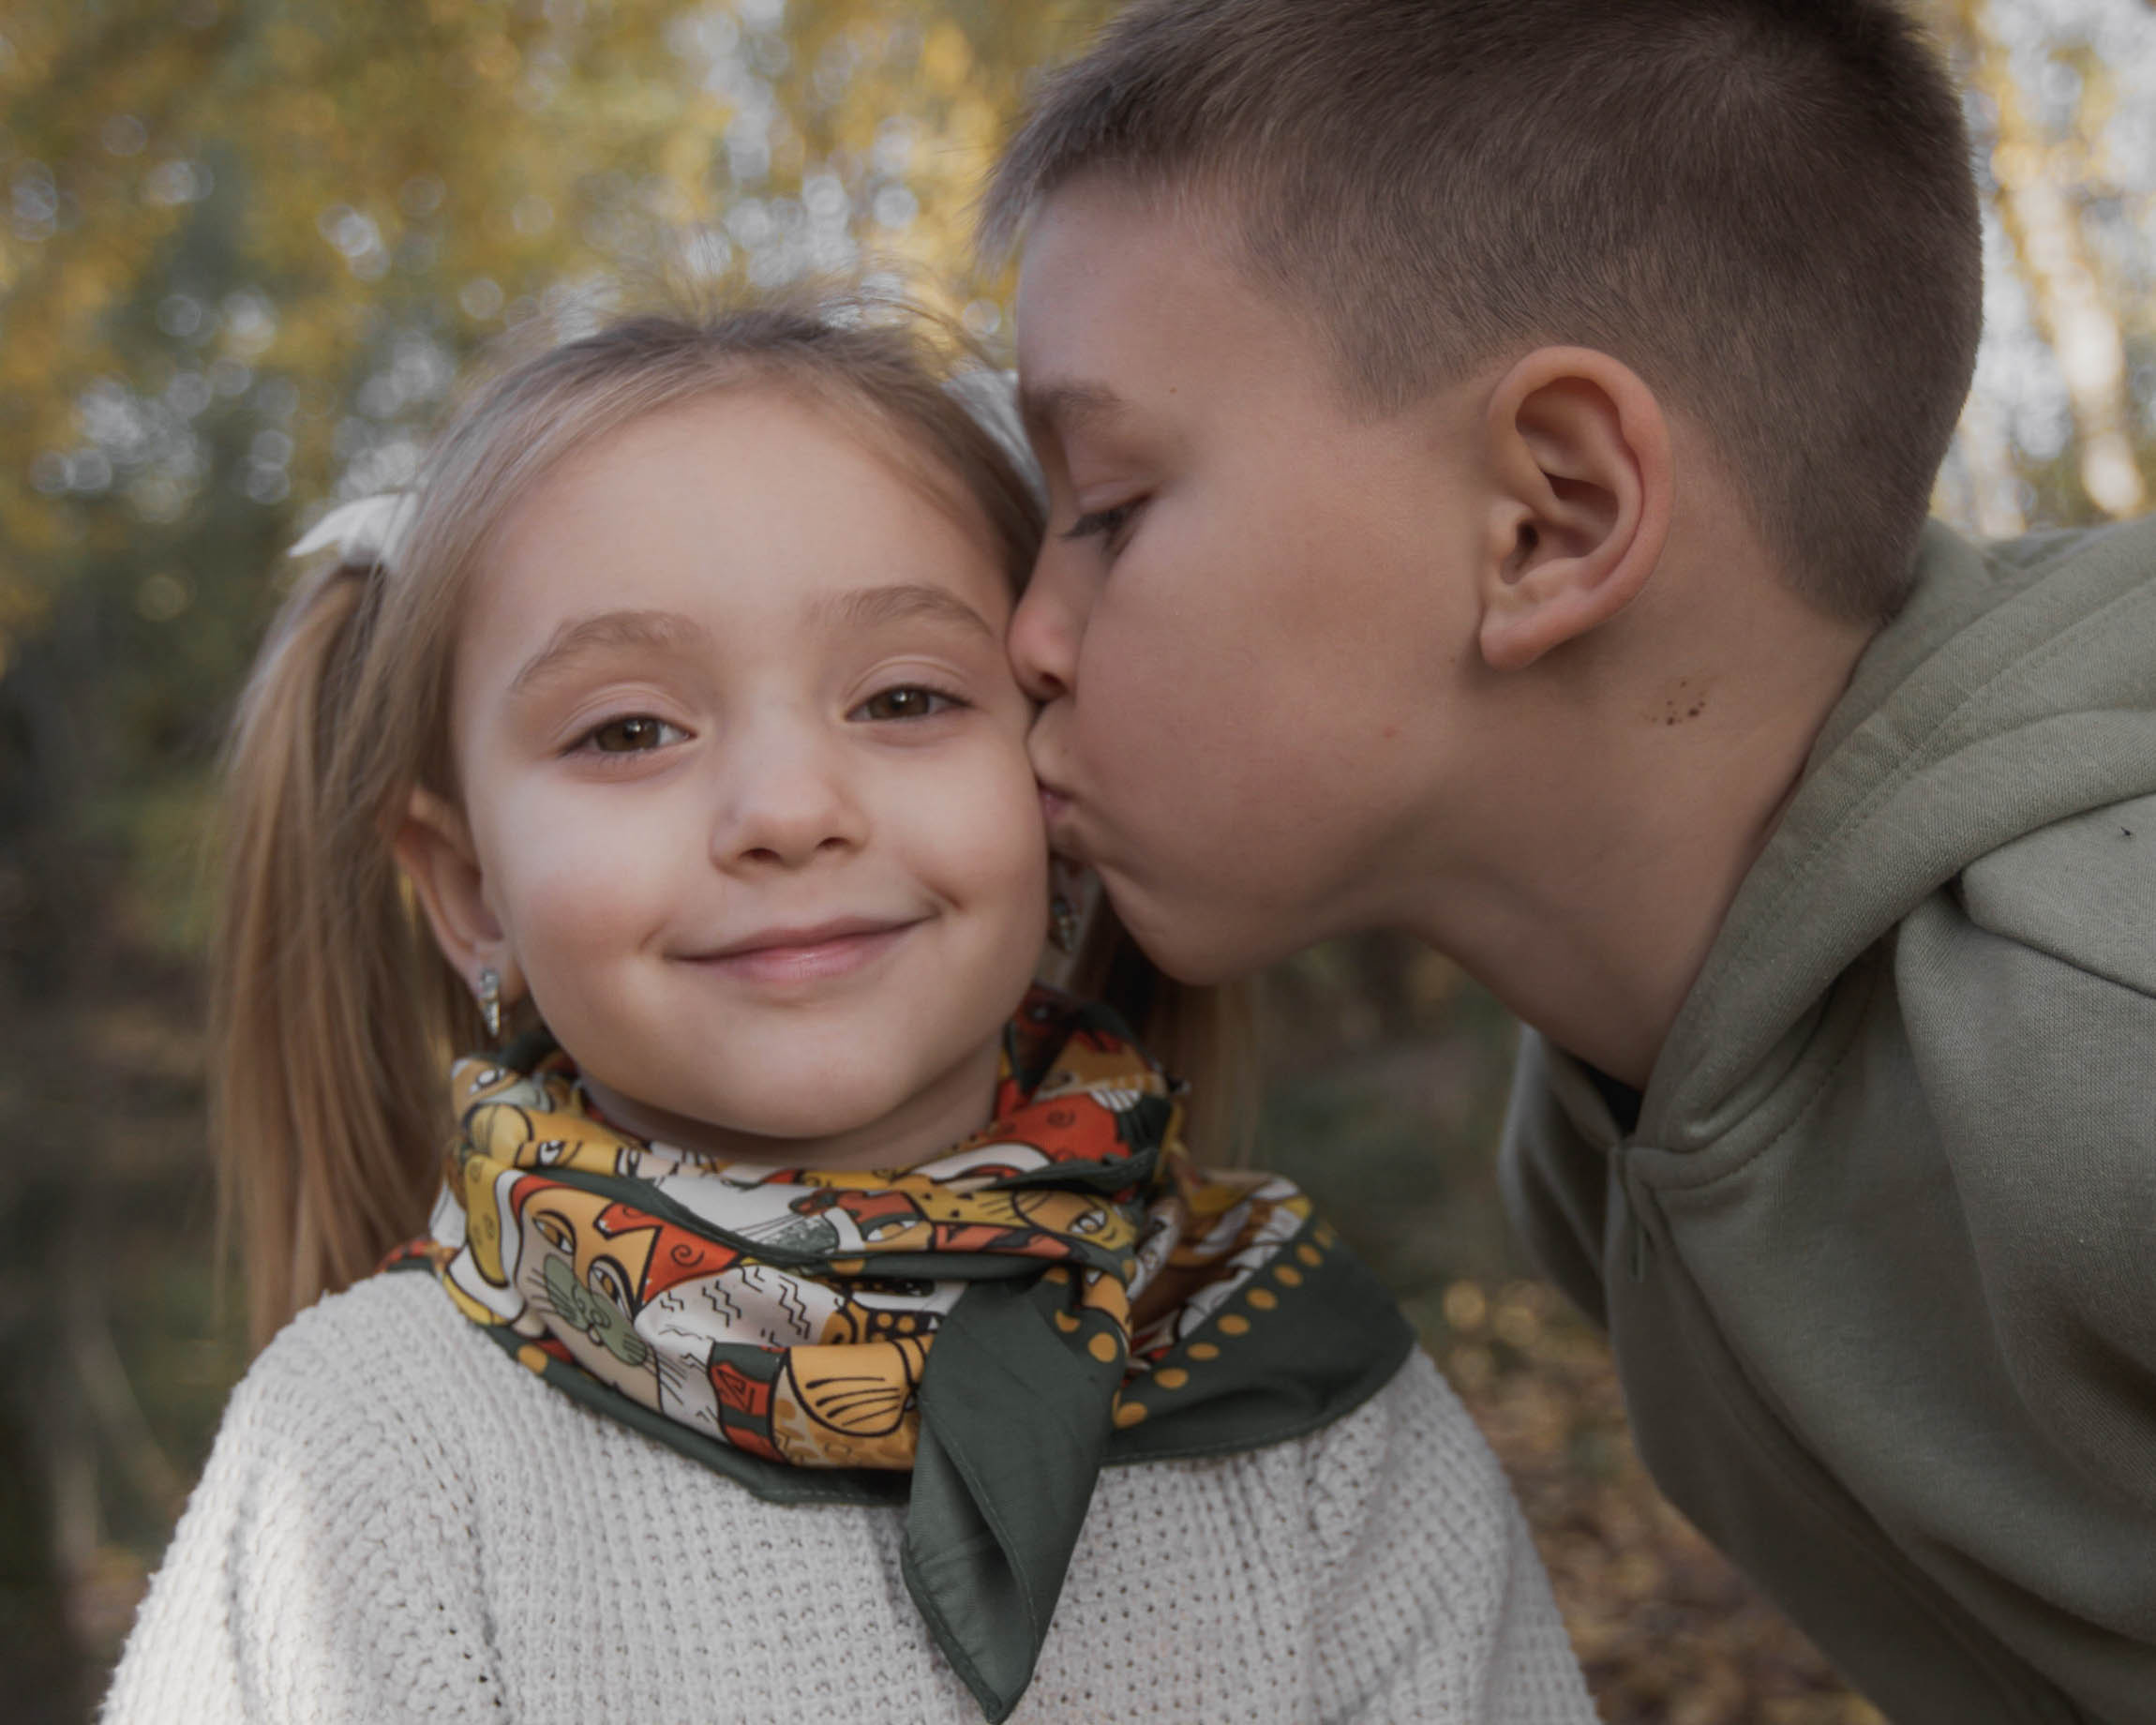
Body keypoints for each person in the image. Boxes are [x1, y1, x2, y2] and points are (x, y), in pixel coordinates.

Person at [101, 292, 1595, 1725]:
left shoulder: (1303, 1395)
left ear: (1051, 781)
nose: (790, 810)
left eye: (902, 700)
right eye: (630, 730)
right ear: (469, 888)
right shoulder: (375, 1452)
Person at [982, 1, 2156, 1720]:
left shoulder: (2095, 1030)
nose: (1024, 639)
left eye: (1104, 511)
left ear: (1551, 517)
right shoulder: (1598, 1144)